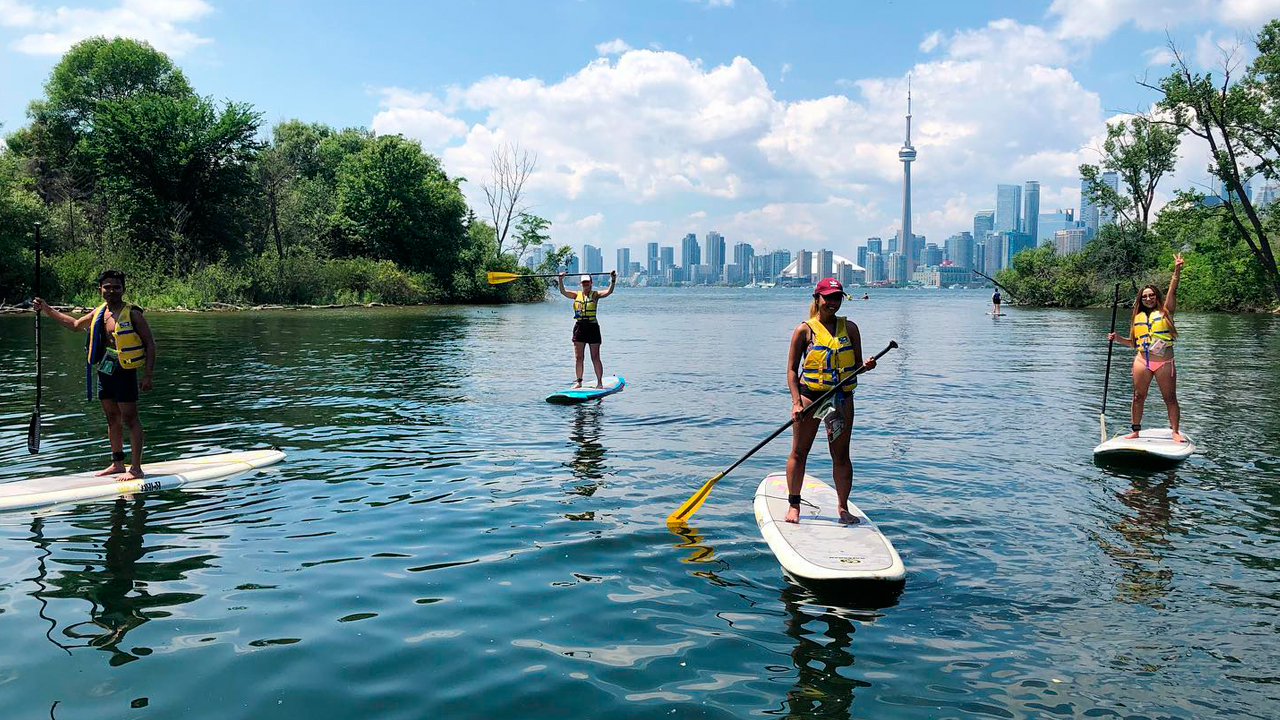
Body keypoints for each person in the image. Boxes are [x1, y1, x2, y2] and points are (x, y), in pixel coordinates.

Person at [34, 269, 156, 480]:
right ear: (100, 289)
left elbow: (150, 344)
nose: (111, 291)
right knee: (111, 418)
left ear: (123, 289)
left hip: (125, 372)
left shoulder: (133, 313)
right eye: (107, 287)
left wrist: (147, 375)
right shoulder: (100, 312)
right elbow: (73, 325)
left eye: (116, 287)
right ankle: (117, 463)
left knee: (130, 418)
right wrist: (46, 308)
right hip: (105, 371)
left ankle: (136, 468)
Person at [784, 277, 876, 525]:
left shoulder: (851, 329)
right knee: (799, 452)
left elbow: (856, 365)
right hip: (811, 397)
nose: (833, 302)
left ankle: (843, 507)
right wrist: (796, 402)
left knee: (841, 455)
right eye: (828, 298)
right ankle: (794, 505)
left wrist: (866, 366)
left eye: (837, 298)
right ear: (817, 298)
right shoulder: (804, 330)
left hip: (842, 398)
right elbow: (792, 370)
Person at [1108, 253, 1185, 443]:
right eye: (1145, 296)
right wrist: (1117, 339)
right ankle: (1135, 430)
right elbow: (1134, 343)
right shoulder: (1138, 318)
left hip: (1164, 362)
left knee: (1169, 398)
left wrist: (1177, 270)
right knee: (1138, 396)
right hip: (1142, 361)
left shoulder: (1166, 312)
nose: (1148, 298)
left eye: (1151, 295)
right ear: (1141, 300)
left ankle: (1174, 431)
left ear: (1156, 296)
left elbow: (1173, 292)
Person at [557, 270, 616, 389]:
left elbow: (609, 292)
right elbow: (563, 292)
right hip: (579, 328)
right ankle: (579, 382)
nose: (585, 285)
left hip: (592, 327)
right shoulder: (575, 295)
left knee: (595, 357)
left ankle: (599, 383)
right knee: (579, 357)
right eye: (584, 283)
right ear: (581, 283)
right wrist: (560, 279)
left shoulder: (595, 295)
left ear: (591, 283)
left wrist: (613, 279)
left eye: (587, 282)